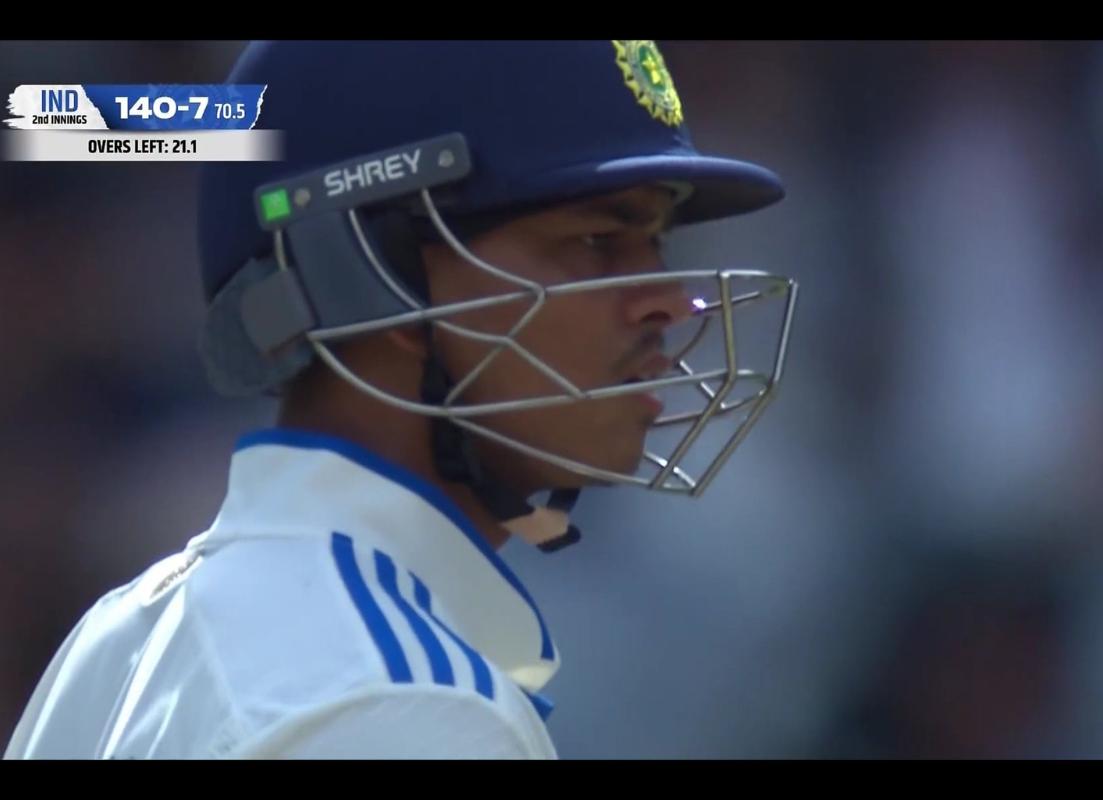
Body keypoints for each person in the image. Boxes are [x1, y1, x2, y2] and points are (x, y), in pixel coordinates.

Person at [4, 40, 796, 759]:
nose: (668, 300)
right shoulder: (404, 705)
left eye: (657, 241)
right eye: (596, 241)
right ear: (368, 278)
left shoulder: (117, 639)